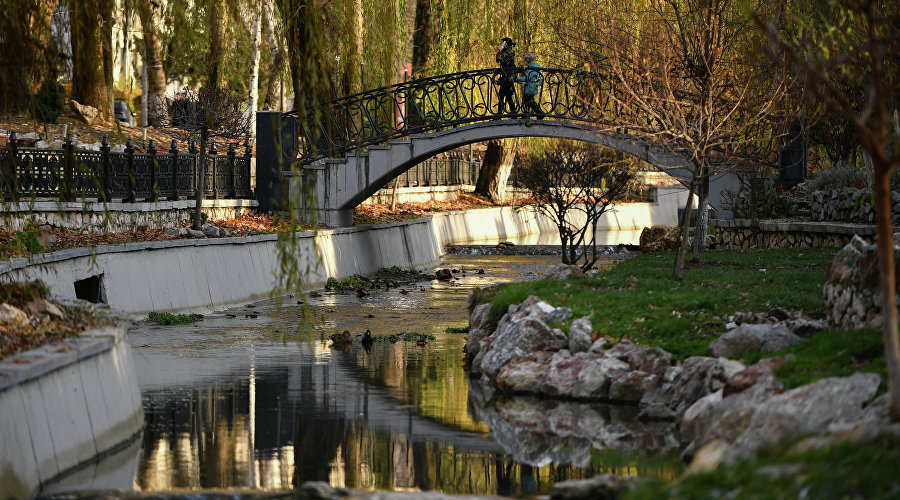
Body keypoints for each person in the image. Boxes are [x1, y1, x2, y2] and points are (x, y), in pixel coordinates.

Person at [495, 37, 518, 114]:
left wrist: (500, 50)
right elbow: (497, 59)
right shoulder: (505, 50)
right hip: (505, 75)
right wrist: (500, 50)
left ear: (506, 43)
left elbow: (501, 58)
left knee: (505, 95)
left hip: (509, 76)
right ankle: (511, 112)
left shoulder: (510, 51)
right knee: (504, 95)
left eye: (503, 43)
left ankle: (503, 113)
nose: (502, 44)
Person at [517, 53, 543, 119]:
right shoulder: (536, 66)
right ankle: (526, 115)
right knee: (528, 101)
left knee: (529, 101)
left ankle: (539, 113)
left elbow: (526, 78)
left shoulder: (530, 68)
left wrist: (516, 79)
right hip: (534, 87)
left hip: (529, 87)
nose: (524, 62)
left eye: (525, 60)